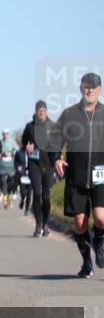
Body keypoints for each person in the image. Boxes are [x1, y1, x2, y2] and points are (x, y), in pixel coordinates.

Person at [53, 73, 104, 278]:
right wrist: (57, 157)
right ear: (81, 88)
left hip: (101, 173)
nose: (89, 90)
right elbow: (56, 137)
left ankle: (100, 239)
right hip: (76, 174)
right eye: (86, 86)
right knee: (80, 224)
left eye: (93, 87)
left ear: (99, 89)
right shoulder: (69, 114)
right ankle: (86, 262)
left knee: (101, 217)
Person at [21, 100, 57, 237]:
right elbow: (24, 141)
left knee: (46, 196)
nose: (41, 112)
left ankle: (45, 224)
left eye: (44, 110)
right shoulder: (30, 127)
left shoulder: (53, 126)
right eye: (39, 110)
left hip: (48, 164)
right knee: (36, 193)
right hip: (34, 164)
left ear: (46, 112)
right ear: (36, 112)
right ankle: (37, 224)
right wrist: (26, 146)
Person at [0, 130, 17, 210]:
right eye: (3, 134)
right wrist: (2, 154)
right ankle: (5, 202)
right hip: (2, 166)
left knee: (11, 184)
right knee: (3, 184)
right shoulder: (0, 142)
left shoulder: (12, 141)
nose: (5, 135)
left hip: (11, 167)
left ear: (8, 134)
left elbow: (18, 151)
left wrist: (11, 154)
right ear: (2, 134)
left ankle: (9, 199)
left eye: (6, 134)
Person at [15, 139, 32, 216]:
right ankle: (22, 200)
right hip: (22, 174)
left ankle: (27, 209)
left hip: (31, 174)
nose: (27, 146)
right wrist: (18, 167)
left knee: (29, 193)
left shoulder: (32, 152)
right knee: (23, 192)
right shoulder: (19, 153)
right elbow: (15, 162)